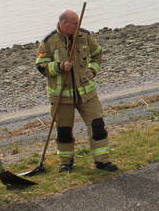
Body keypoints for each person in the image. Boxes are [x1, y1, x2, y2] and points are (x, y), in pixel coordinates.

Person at [35, 10, 118, 172]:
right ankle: (66, 163)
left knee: (97, 125)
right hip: (61, 96)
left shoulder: (85, 36)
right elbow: (41, 66)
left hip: (87, 93)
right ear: (64, 24)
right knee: (64, 131)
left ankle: (102, 161)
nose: (78, 26)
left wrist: (92, 70)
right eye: (75, 24)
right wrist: (60, 67)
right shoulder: (48, 41)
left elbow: (97, 54)